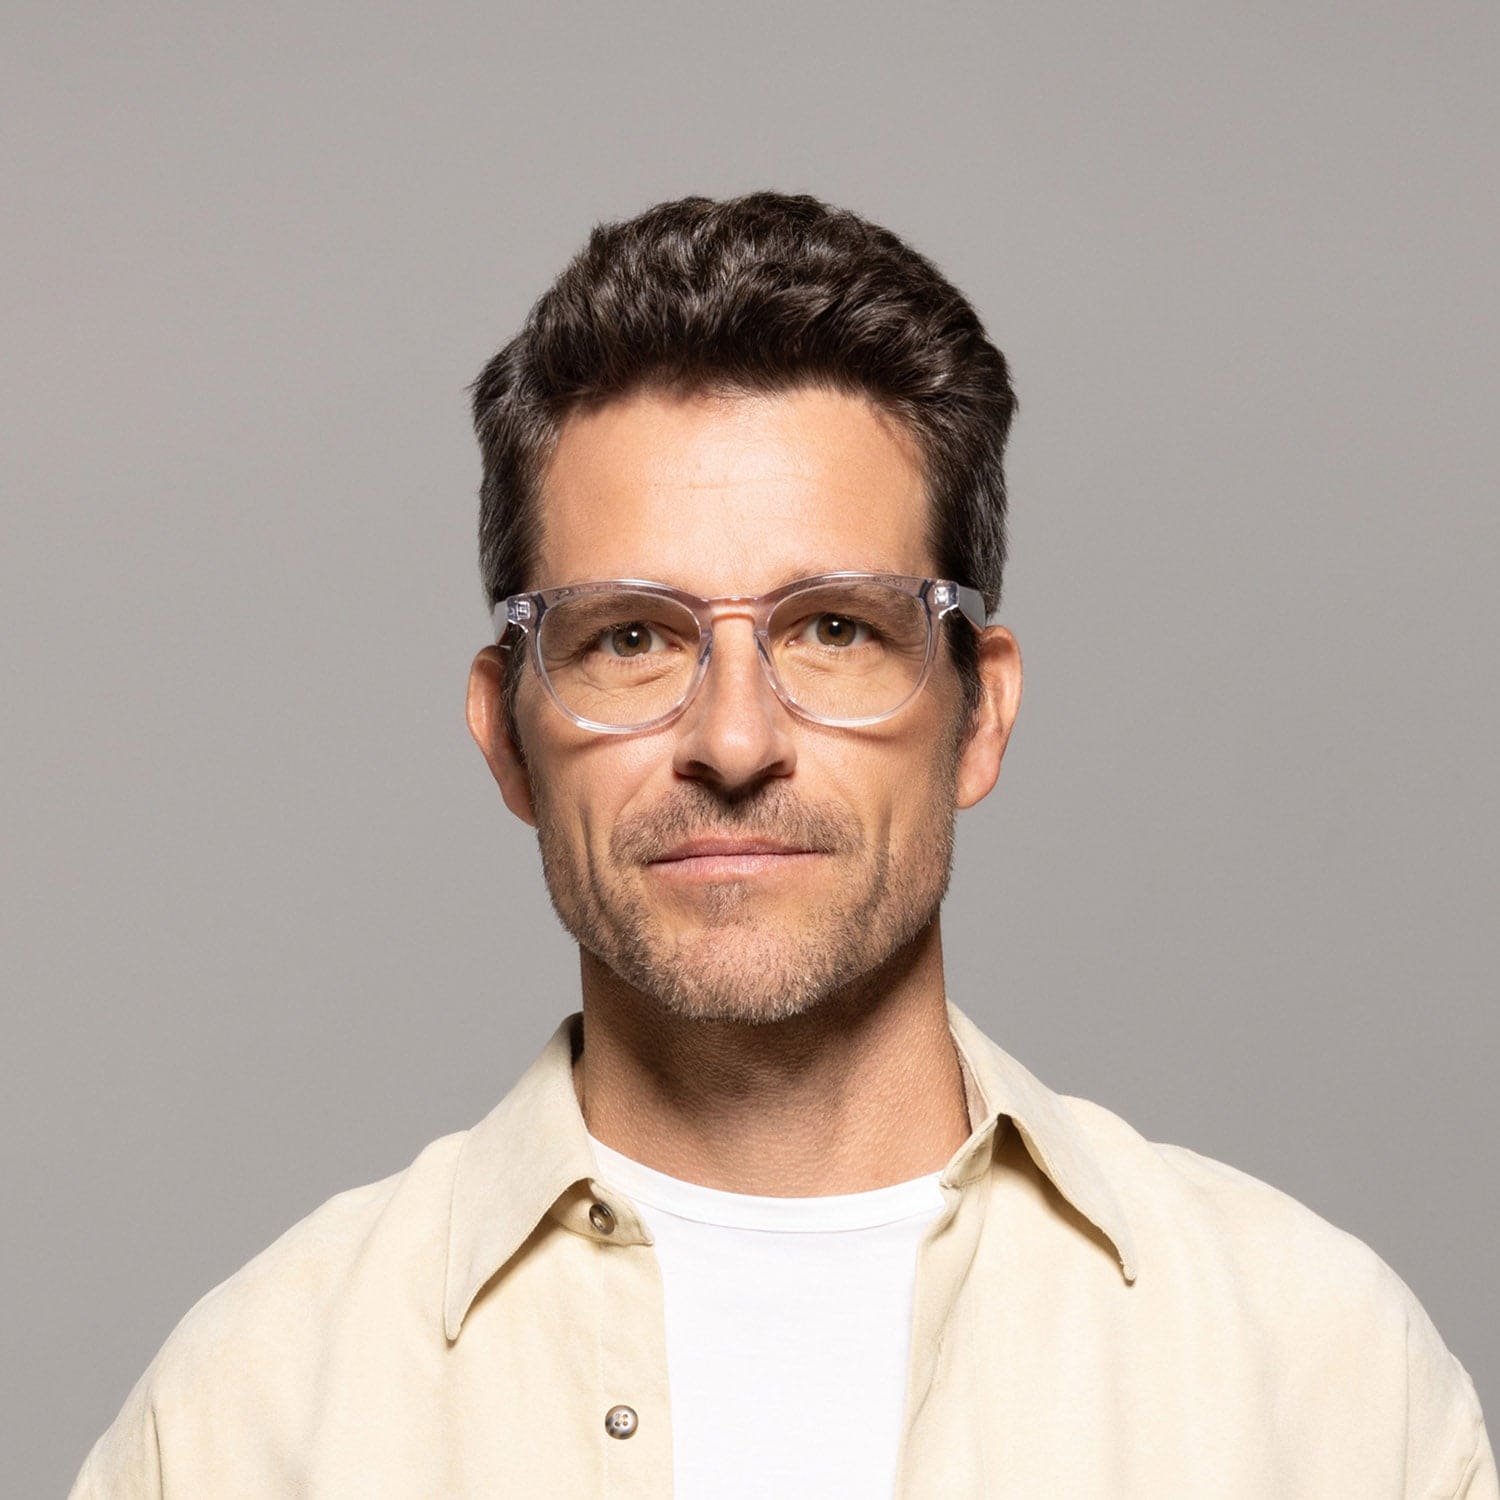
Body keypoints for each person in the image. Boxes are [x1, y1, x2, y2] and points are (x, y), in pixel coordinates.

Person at [70, 190, 1494, 1499]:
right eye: (631, 638)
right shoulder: (247, 1422)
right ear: (506, 732)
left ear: (979, 714)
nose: (736, 741)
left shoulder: (1323, 1389)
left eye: (835, 628)